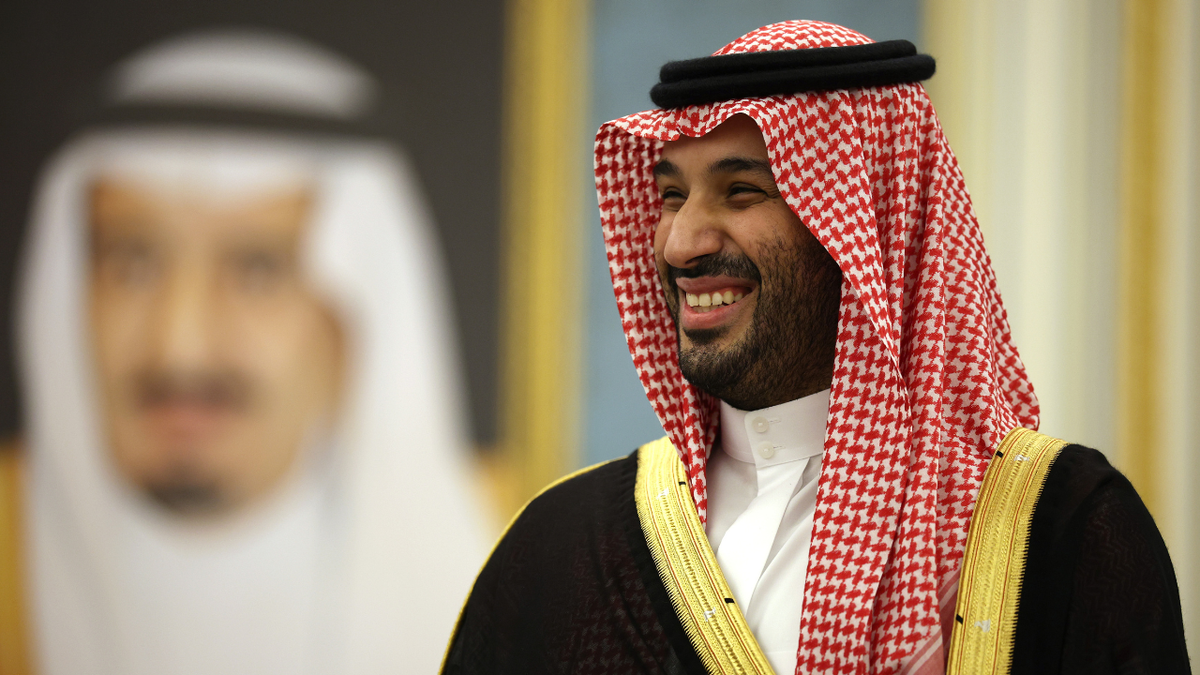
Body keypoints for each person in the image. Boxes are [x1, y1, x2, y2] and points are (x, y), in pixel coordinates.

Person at [443, 20, 1189, 675]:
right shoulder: (560, 548)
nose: (680, 242)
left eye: (742, 192)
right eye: (672, 195)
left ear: (865, 232)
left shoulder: (1061, 536)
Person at [1, 29, 490, 675]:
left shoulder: (517, 600)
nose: (181, 344)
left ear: (359, 313)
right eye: (131, 261)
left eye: (258, 267)